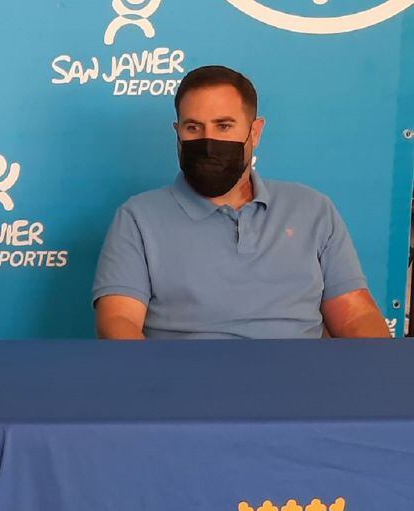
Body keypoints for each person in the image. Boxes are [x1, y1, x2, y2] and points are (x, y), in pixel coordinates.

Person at [93, 65, 389, 339]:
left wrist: (380, 375)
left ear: (255, 132)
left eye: (224, 126)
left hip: (300, 383)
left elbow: (355, 315)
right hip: (183, 385)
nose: (208, 142)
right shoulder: (137, 218)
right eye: (193, 127)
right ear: (178, 133)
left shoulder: (312, 209)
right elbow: (118, 321)